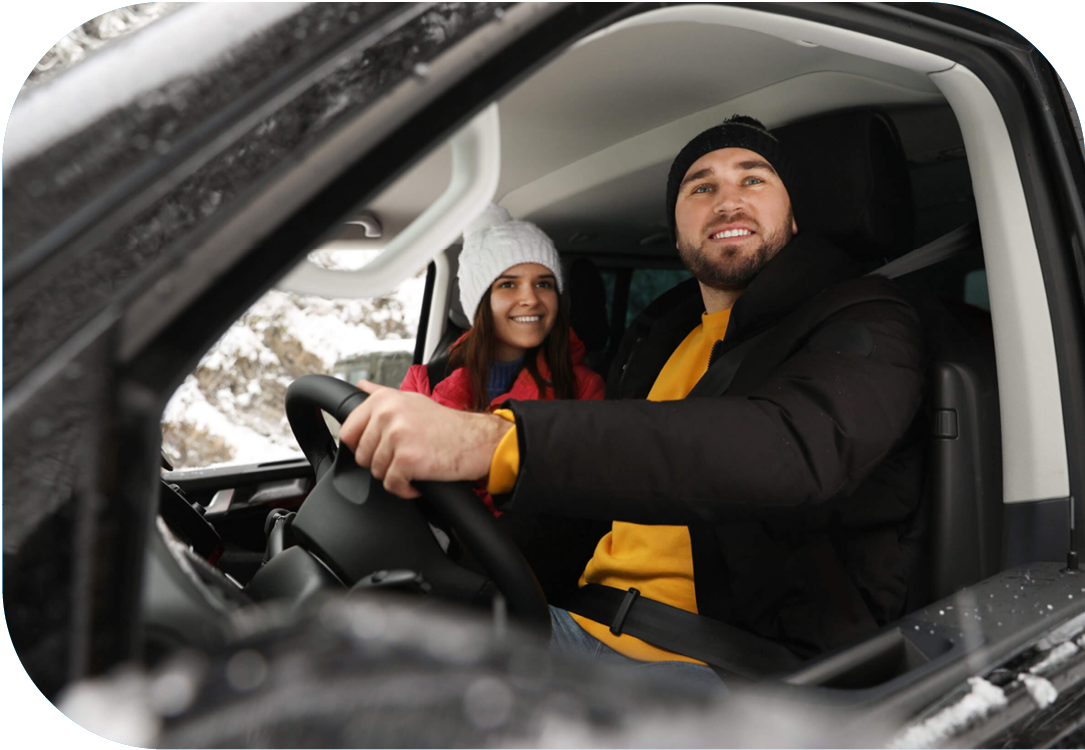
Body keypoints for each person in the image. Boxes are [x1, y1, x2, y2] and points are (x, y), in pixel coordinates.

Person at [340, 115, 925, 685]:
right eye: (702, 187)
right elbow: (586, 503)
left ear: (793, 217)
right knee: (347, 663)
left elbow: (789, 446)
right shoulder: (658, 336)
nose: (728, 201)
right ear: (676, 231)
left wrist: (490, 442)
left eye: (753, 179)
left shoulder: (864, 320)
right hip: (578, 620)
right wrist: (457, 572)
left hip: (726, 662)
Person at [399, 203, 606, 516]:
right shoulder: (425, 380)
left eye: (544, 283)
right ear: (480, 300)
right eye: (508, 284)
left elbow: (575, 504)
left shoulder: (582, 388)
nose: (531, 298)